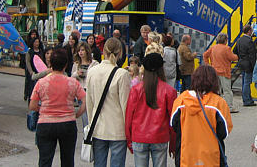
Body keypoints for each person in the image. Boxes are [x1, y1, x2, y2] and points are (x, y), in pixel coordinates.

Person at [29, 48, 86, 167]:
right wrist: (76, 114)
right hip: (67, 123)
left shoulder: (41, 82)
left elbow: (32, 105)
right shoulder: (73, 82)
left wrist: (44, 109)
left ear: (50, 64)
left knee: (45, 160)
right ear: (66, 65)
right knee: (68, 160)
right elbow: (85, 101)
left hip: (46, 124)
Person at [171, 65, 233, 166]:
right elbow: (224, 132)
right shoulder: (218, 103)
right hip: (212, 156)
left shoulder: (181, 101)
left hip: (186, 156)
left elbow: (174, 125)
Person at [85, 38, 132, 167]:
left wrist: (90, 123)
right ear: (120, 53)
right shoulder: (122, 74)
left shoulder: (92, 72)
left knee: (99, 163)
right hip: (118, 129)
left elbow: (89, 102)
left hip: (98, 126)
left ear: (103, 51)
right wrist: (129, 131)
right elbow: (125, 105)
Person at [125, 53, 177, 167]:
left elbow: (129, 117)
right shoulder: (169, 91)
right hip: (160, 136)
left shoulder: (136, 90)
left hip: (139, 136)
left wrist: (129, 141)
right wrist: (173, 144)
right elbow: (173, 121)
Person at [203, 32, 239, 113]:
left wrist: (208, 64)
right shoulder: (227, 48)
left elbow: (205, 55)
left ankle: (216, 105)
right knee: (227, 91)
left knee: (216, 90)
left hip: (214, 71)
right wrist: (238, 55)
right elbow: (233, 58)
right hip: (224, 72)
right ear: (225, 40)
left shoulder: (213, 48)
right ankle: (229, 107)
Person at [71, 41, 99, 129]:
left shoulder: (94, 63)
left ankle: (90, 132)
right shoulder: (76, 64)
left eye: (82, 50)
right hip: (81, 90)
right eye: (79, 50)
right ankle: (86, 133)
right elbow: (72, 77)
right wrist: (76, 74)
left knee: (91, 113)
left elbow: (97, 76)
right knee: (84, 115)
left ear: (87, 51)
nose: (80, 52)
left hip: (90, 90)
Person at [234, 24, 257, 107]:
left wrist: (240, 58)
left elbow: (234, 50)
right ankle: (247, 100)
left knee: (245, 82)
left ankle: (247, 98)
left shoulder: (239, 40)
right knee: (247, 82)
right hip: (248, 64)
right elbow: (252, 56)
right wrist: (254, 66)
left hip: (242, 63)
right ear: (249, 31)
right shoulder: (249, 42)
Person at [26, 36, 45, 104]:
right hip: (33, 73)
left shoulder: (41, 51)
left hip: (40, 73)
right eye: (35, 42)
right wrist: (31, 71)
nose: (37, 44)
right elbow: (28, 62)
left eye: (38, 42)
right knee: (32, 88)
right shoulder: (30, 52)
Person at [23, 29, 39, 99]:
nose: (33, 36)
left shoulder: (40, 49)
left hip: (38, 69)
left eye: (35, 35)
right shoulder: (29, 49)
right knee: (28, 81)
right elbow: (27, 61)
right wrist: (30, 71)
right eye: (32, 34)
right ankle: (27, 94)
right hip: (30, 68)